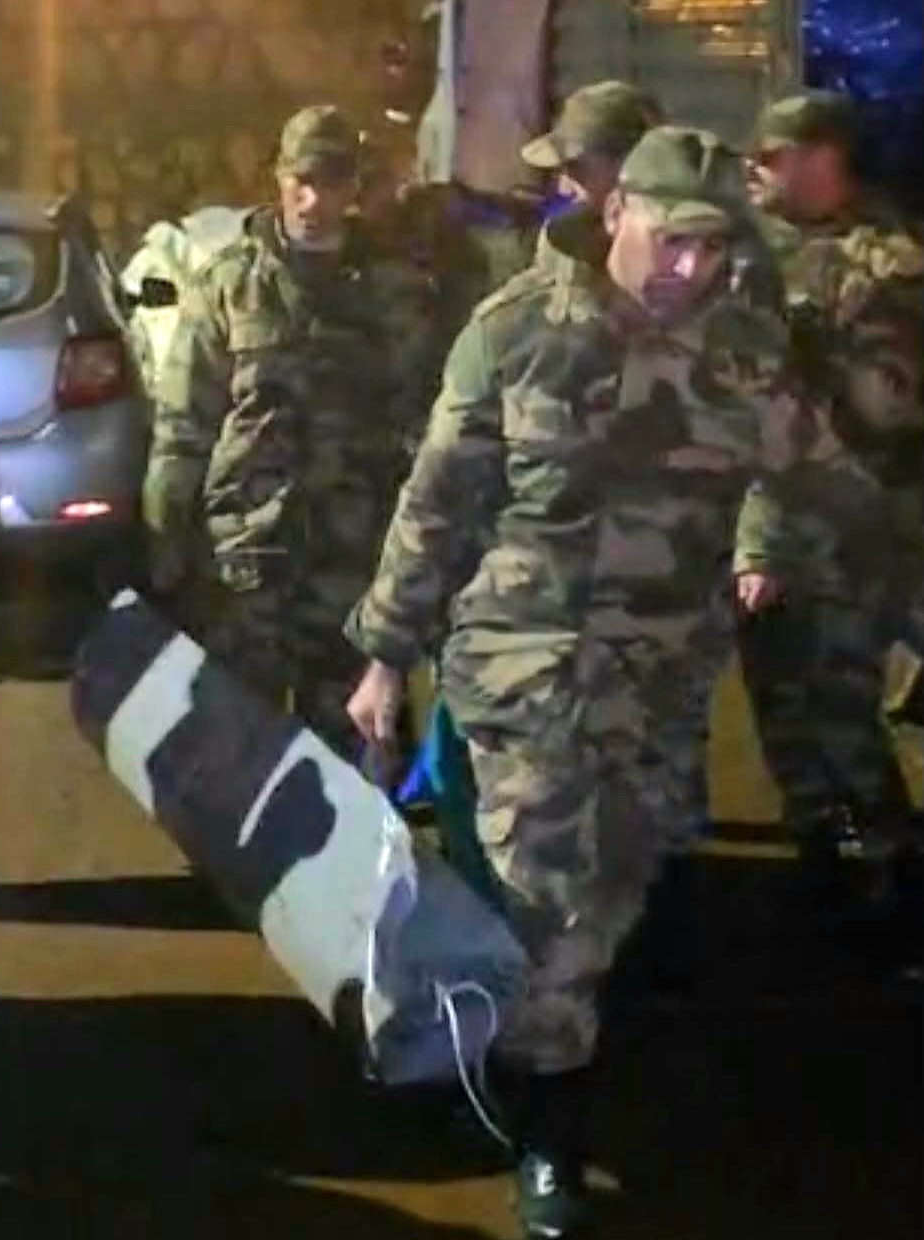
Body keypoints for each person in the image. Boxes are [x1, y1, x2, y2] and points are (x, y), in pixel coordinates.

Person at [343, 126, 871, 1237]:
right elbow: (436, 502)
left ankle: (515, 1051)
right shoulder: (516, 333)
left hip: (663, 675)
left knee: (618, 888)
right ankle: (548, 1138)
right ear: (615, 210)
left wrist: (812, 547)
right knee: (559, 905)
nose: (689, 266)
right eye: (672, 239)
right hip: (524, 665)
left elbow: (821, 478)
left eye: (713, 248)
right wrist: (386, 652)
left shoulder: (740, 349)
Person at [143, 104, 436, 758]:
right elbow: (184, 424)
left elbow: (427, 425)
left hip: (351, 564)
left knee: (347, 755)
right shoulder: (229, 284)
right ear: (278, 177)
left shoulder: (394, 289)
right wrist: (164, 546)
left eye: (330, 184)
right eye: (300, 182)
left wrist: (421, 563)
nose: (311, 201)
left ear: (352, 186)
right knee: (236, 750)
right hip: (246, 563)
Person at [734, 91, 924, 866]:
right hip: (777, 518)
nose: (754, 170)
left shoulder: (882, 262)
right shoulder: (766, 247)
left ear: (822, 159)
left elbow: (883, 410)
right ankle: (823, 851)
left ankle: (888, 860)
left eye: (771, 156)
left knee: (838, 703)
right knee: (782, 698)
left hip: (852, 523)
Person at [521, 79, 664, 285]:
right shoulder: (566, 237)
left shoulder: (690, 246)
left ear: (630, 163)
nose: (564, 188)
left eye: (577, 169)